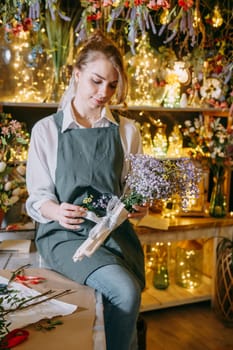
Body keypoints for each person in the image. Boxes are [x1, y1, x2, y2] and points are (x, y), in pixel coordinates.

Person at [26, 30, 146, 350]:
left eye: (112, 84)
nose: (104, 92)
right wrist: (56, 210)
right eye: (96, 80)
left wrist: (139, 206)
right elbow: (37, 198)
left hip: (113, 236)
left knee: (124, 299)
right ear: (76, 74)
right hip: (65, 237)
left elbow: (133, 192)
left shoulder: (128, 131)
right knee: (126, 291)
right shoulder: (47, 130)